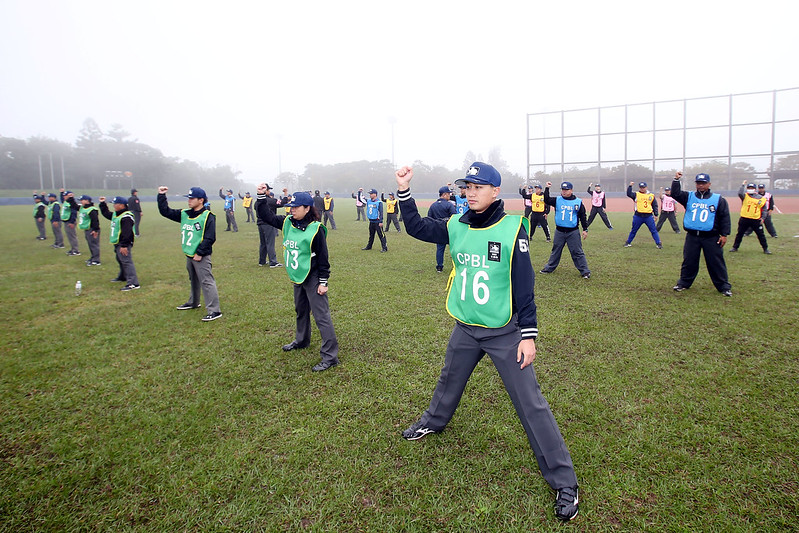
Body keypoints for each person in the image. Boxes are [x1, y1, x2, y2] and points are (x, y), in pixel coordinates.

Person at [395, 162, 580, 522]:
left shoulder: (513, 229)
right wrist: (404, 190)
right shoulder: (456, 224)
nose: (472, 192)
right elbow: (416, 227)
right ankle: (433, 421)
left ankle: (564, 481)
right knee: (449, 379)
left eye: (480, 187)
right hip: (466, 325)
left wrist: (528, 335)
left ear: (496, 191)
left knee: (531, 403)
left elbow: (525, 286)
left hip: (503, 330)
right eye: (468, 187)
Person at [255, 187, 339, 372]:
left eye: (296, 207)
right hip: (297, 276)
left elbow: (324, 259)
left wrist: (323, 282)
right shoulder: (287, 222)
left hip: (314, 276)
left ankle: (330, 356)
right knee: (301, 311)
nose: (291, 210)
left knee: (321, 316)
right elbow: (266, 216)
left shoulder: (316, 229)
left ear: (307, 208)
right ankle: (301, 340)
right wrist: (261, 197)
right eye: (290, 207)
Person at [158, 186, 223, 321]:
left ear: (201, 200)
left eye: (192, 198)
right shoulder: (185, 213)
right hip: (189, 253)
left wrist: (200, 252)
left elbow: (210, 237)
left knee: (206, 281)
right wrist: (161, 196)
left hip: (201, 255)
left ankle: (214, 310)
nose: (189, 201)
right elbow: (165, 212)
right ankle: (194, 302)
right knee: (193, 279)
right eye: (189, 198)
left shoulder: (207, 216)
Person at [669, 172, 732, 296]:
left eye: (703, 183)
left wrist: (724, 234)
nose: (701, 186)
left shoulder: (718, 199)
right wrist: (676, 180)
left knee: (716, 262)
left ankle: (723, 286)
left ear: (709, 184)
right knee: (689, 261)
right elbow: (675, 194)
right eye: (698, 183)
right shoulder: (689, 197)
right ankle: (683, 283)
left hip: (711, 237)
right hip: (692, 236)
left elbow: (724, 217)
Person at [539, 181, 590, 278]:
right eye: (563, 190)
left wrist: (585, 229)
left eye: (566, 190)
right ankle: (549, 268)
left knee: (577, 251)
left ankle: (585, 271)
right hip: (560, 231)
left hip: (573, 232)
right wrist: (547, 188)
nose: (564, 192)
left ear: (571, 190)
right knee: (556, 251)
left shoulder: (578, 202)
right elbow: (546, 199)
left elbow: (582, 216)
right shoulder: (557, 200)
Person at [99, 196, 140, 291]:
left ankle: (133, 283)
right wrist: (102, 204)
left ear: (121, 205)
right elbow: (106, 214)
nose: (114, 206)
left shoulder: (126, 217)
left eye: (115, 204)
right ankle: (123, 276)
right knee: (120, 259)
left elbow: (127, 232)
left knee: (126, 261)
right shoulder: (116, 214)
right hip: (117, 242)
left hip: (123, 243)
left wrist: (124, 245)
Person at [730, 181, 771, 254]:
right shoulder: (745, 196)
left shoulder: (761, 198)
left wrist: (763, 218)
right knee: (740, 234)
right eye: (749, 188)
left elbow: (764, 209)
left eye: (752, 188)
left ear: (755, 189)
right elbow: (740, 193)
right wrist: (743, 185)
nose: (750, 189)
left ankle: (765, 248)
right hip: (744, 218)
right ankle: (735, 247)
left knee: (761, 235)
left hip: (756, 219)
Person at [428, 185, 458, 272]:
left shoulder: (433, 205)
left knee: (440, 249)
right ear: (444, 195)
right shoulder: (449, 205)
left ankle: (439, 267)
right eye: (448, 194)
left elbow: (429, 218)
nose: (449, 195)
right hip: (449, 230)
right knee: (454, 248)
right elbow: (454, 217)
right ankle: (456, 266)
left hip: (438, 231)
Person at [624, 181, 662, 249]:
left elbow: (655, 205)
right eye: (641, 187)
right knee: (634, 230)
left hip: (648, 216)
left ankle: (658, 243)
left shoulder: (651, 195)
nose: (642, 189)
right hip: (638, 216)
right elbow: (629, 194)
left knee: (653, 230)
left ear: (646, 187)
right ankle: (628, 242)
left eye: (643, 187)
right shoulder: (636, 194)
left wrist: (656, 215)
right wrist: (630, 186)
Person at [255, 184, 283, 268]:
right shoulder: (269, 200)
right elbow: (282, 203)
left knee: (263, 243)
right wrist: (285, 196)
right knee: (270, 242)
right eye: (268, 190)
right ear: (265, 191)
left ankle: (262, 261)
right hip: (268, 223)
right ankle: (273, 262)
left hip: (260, 223)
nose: (269, 191)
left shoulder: (258, 201)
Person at [77, 194, 101, 266]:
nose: (81, 201)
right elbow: (74, 206)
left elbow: (95, 220)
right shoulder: (83, 208)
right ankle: (93, 257)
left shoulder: (91, 210)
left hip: (92, 229)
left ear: (87, 201)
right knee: (90, 244)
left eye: (82, 200)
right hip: (87, 229)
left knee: (94, 244)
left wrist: (95, 230)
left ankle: (96, 260)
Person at [362, 188, 388, 252]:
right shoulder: (369, 201)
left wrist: (381, 221)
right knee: (371, 235)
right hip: (371, 221)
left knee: (381, 235)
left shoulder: (379, 202)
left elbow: (381, 212)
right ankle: (369, 246)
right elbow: (360, 199)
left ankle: (384, 248)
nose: (370, 195)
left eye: (371, 194)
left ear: (375, 194)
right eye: (370, 194)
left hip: (377, 221)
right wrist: (360, 192)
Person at [60, 189, 81, 256]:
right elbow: (61, 199)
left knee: (72, 236)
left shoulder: (71, 203)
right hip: (66, 221)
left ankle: (76, 250)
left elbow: (74, 212)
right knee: (69, 236)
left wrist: (72, 222)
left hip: (70, 221)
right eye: (64, 195)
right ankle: (73, 249)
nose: (64, 197)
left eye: (66, 195)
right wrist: (61, 192)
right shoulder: (66, 202)